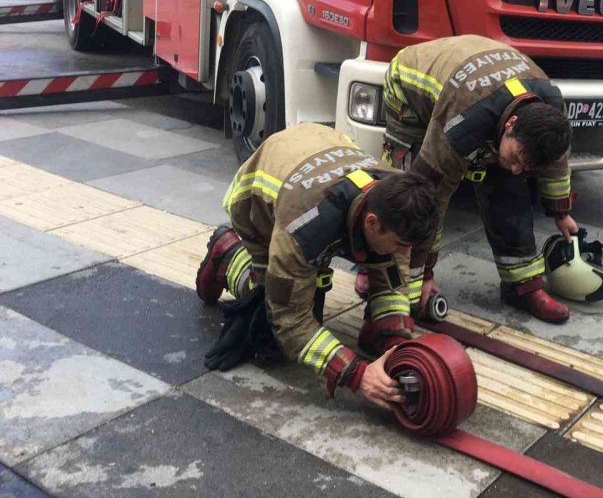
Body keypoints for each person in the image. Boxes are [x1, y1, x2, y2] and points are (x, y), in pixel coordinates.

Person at [195, 124, 440, 408]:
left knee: (334, 288)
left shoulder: (396, 199)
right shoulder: (304, 228)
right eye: (400, 244)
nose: (404, 252)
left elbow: (392, 280)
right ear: (372, 223)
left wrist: (395, 343)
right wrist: (357, 374)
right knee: (269, 326)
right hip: (257, 204)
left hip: (317, 148)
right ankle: (227, 252)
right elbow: (292, 322)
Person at [376, 35, 577, 324]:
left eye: (526, 165)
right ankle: (379, 272)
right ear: (511, 124)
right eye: (517, 157)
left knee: (508, 186)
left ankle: (523, 286)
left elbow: (556, 162)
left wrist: (561, 212)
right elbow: (430, 197)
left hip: (479, 82)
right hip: (409, 89)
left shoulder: (552, 112)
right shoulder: (466, 120)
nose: (518, 168)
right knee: (408, 192)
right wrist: (424, 275)